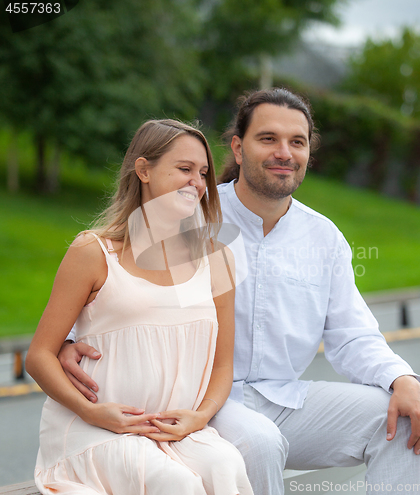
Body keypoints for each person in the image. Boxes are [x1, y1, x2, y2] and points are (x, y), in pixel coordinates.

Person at [59, 89, 420, 495]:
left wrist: (402, 379)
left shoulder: (323, 238)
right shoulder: (193, 216)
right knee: (259, 442)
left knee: (401, 417)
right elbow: (122, 286)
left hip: (288, 401)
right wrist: (69, 338)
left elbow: (353, 334)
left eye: (297, 142)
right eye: (268, 138)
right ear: (238, 148)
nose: (284, 153)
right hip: (209, 401)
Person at [26, 119, 253, 495]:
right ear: (144, 169)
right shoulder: (93, 251)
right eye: (184, 169)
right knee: (175, 484)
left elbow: (223, 364)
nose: (197, 181)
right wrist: (91, 412)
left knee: (226, 465)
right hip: (96, 429)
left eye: (202, 173)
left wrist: (199, 417)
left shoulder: (217, 258)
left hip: (175, 432)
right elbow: (39, 356)